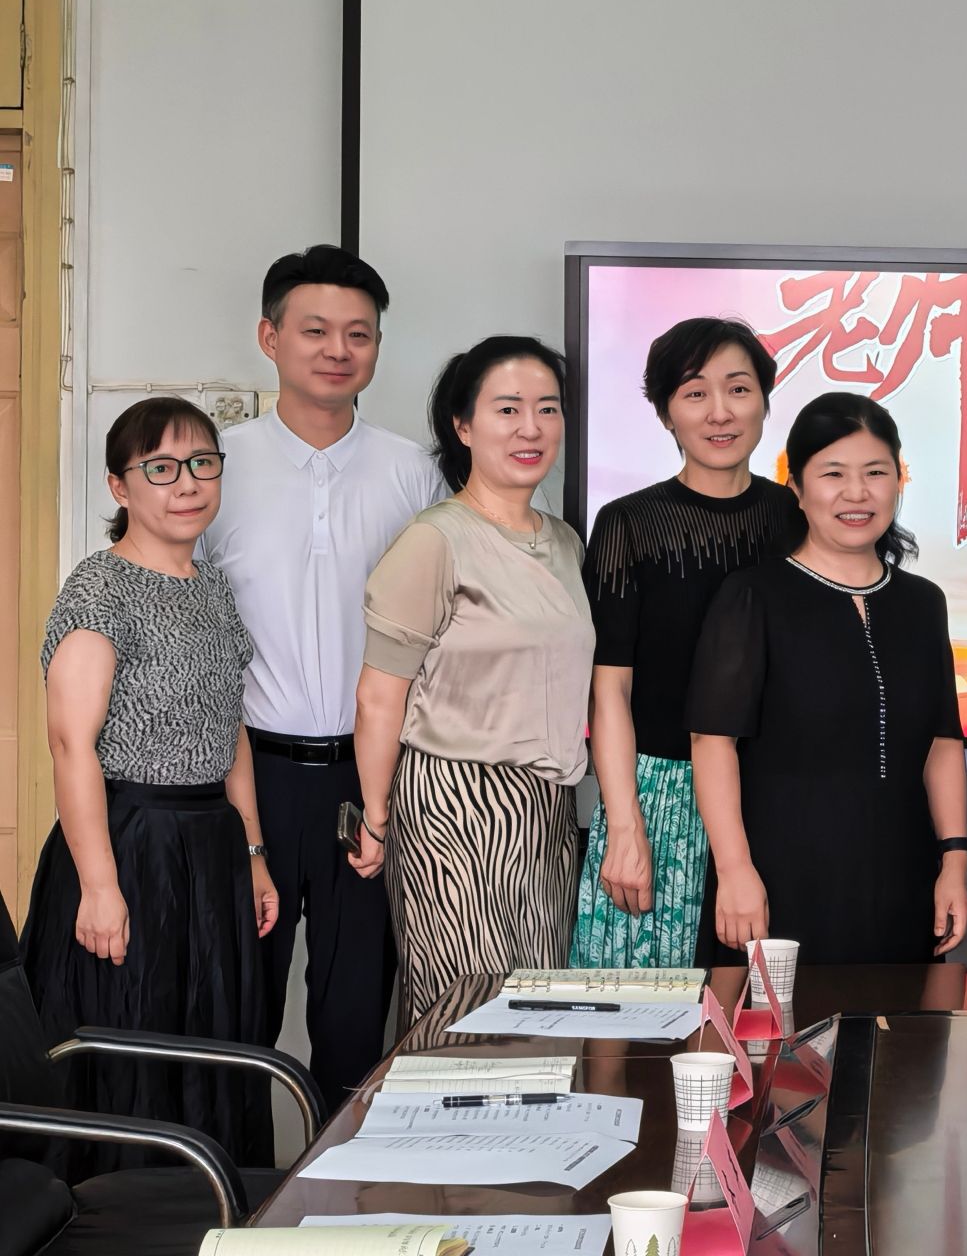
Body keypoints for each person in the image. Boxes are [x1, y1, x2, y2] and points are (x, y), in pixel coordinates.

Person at [199, 245, 442, 1111]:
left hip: (373, 779)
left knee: (355, 1013)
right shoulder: (216, 468)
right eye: (315, 331)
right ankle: (223, 1178)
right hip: (249, 779)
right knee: (238, 1004)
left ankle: (345, 1181)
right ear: (270, 338)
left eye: (359, 334)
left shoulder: (413, 473)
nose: (338, 350)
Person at [21, 397, 278, 1173]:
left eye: (202, 463)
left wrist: (255, 853)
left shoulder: (212, 587)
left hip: (212, 846)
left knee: (210, 1038)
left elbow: (230, 727)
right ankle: (115, 1214)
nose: (187, 483)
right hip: (128, 841)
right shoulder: (100, 588)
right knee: (128, 1038)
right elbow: (70, 743)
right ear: (120, 486)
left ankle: (207, 1205)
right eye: (161, 468)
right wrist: (99, 886)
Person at [347, 337, 595, 1025]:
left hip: (546, 813)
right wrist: (376, 819)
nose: (530, 428)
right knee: (466, 1018)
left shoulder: (565, 542)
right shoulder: (436, 539)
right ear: (463, 426)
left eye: (547, 408)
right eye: (507, 409)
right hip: (453, 806)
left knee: (539, 1015)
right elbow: (379, 696)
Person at [691, 391, 967, 964]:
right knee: (780, 1024)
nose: (857, 493)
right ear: (796, 486)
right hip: (781, 880)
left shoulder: (923, 602)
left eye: (876, 472)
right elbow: (712, 741)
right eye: (833, 474)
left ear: (899, 480)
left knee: (904, 1022)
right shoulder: (753, 595)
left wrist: (954, 861)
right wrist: (735, 871)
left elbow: (943, 741)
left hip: (905, 880)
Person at [570, 317, 799, 969]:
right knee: (640, 1006)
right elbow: (610, 689)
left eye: (739, 389)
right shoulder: (628, 523)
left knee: (774, 1004)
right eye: (695, 393)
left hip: (778, 794)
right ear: (666, 412)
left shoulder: (796, 517)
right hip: (660, 798)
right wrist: (624, 824)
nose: (720, 412)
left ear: (764, 402)